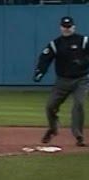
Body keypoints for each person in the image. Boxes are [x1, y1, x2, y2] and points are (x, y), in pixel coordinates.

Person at [33, 16, 89, 147]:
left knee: (79, 104)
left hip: (80, 80)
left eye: (69, 26)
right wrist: (40, 71)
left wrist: (84, 62)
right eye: (64, 26)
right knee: (50, 106)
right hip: (62, 81)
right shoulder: (55, 43)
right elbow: (45, 58)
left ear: (74, 27)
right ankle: (53, 129)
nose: (67, 29)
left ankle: (78, 135)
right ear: (60, 27)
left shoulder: (84, 41)